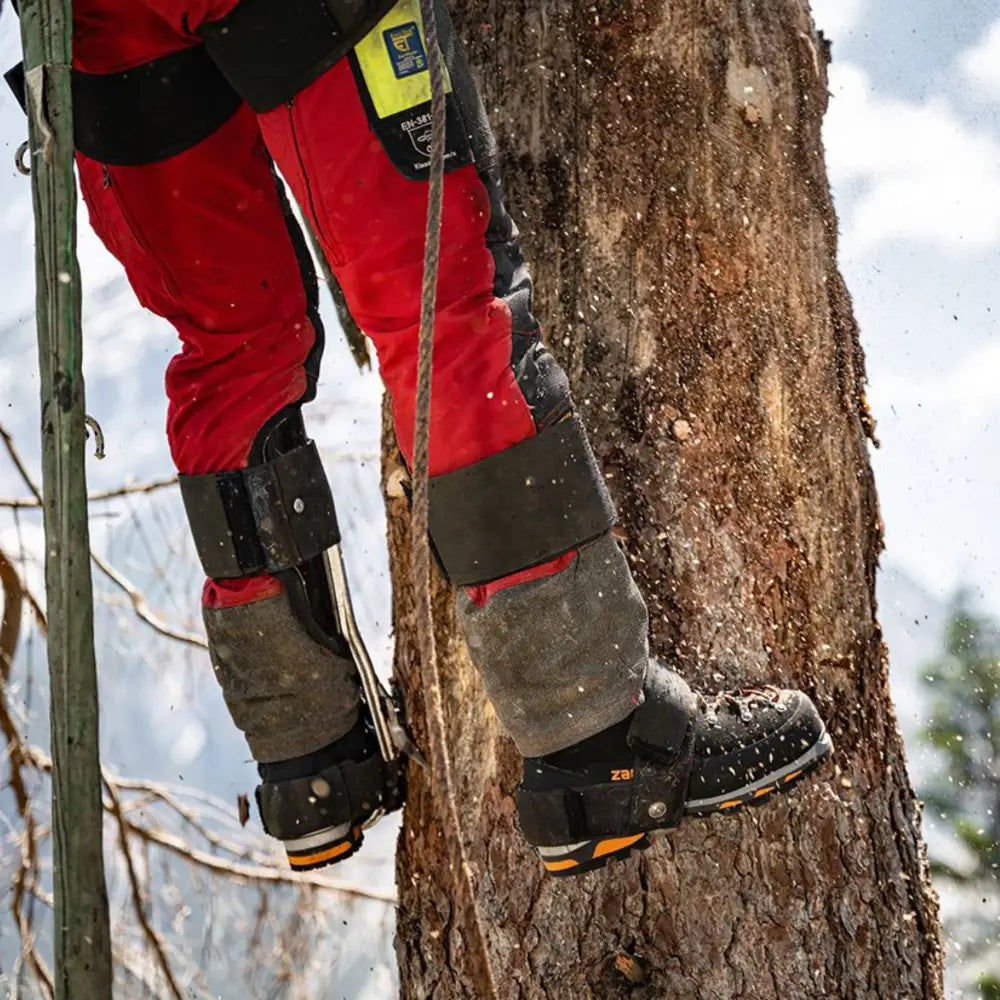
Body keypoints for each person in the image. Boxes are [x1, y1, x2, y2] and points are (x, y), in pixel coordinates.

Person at [32, 0, 831, 877]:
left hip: (94, 24)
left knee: (232, 347)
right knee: (446, 312)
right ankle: (598, 731)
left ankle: (313, 759)